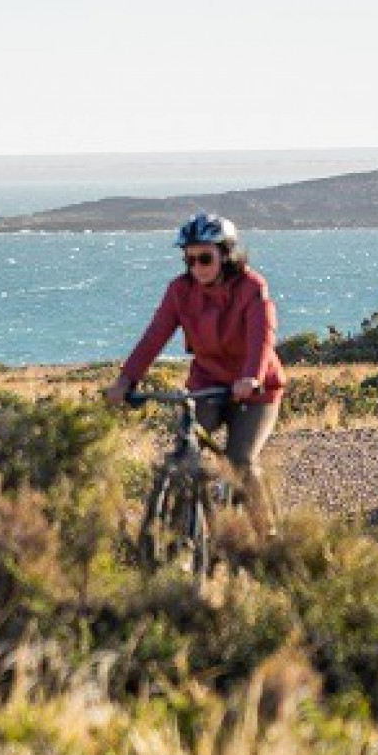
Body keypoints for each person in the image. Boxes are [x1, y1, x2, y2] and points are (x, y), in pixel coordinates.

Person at [103, 212, 286, 536]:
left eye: (205, 258)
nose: (197, 267)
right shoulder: (180, 291)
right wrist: (126, 380)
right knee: (184, 454)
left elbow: (262, 337)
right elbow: (154, 336)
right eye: (190, 259)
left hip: (257, 389)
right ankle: (186, 532)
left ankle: (267, 536)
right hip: (207, 383)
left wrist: (252, 377)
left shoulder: (252, 287)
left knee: (240, 461)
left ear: (226, 255)